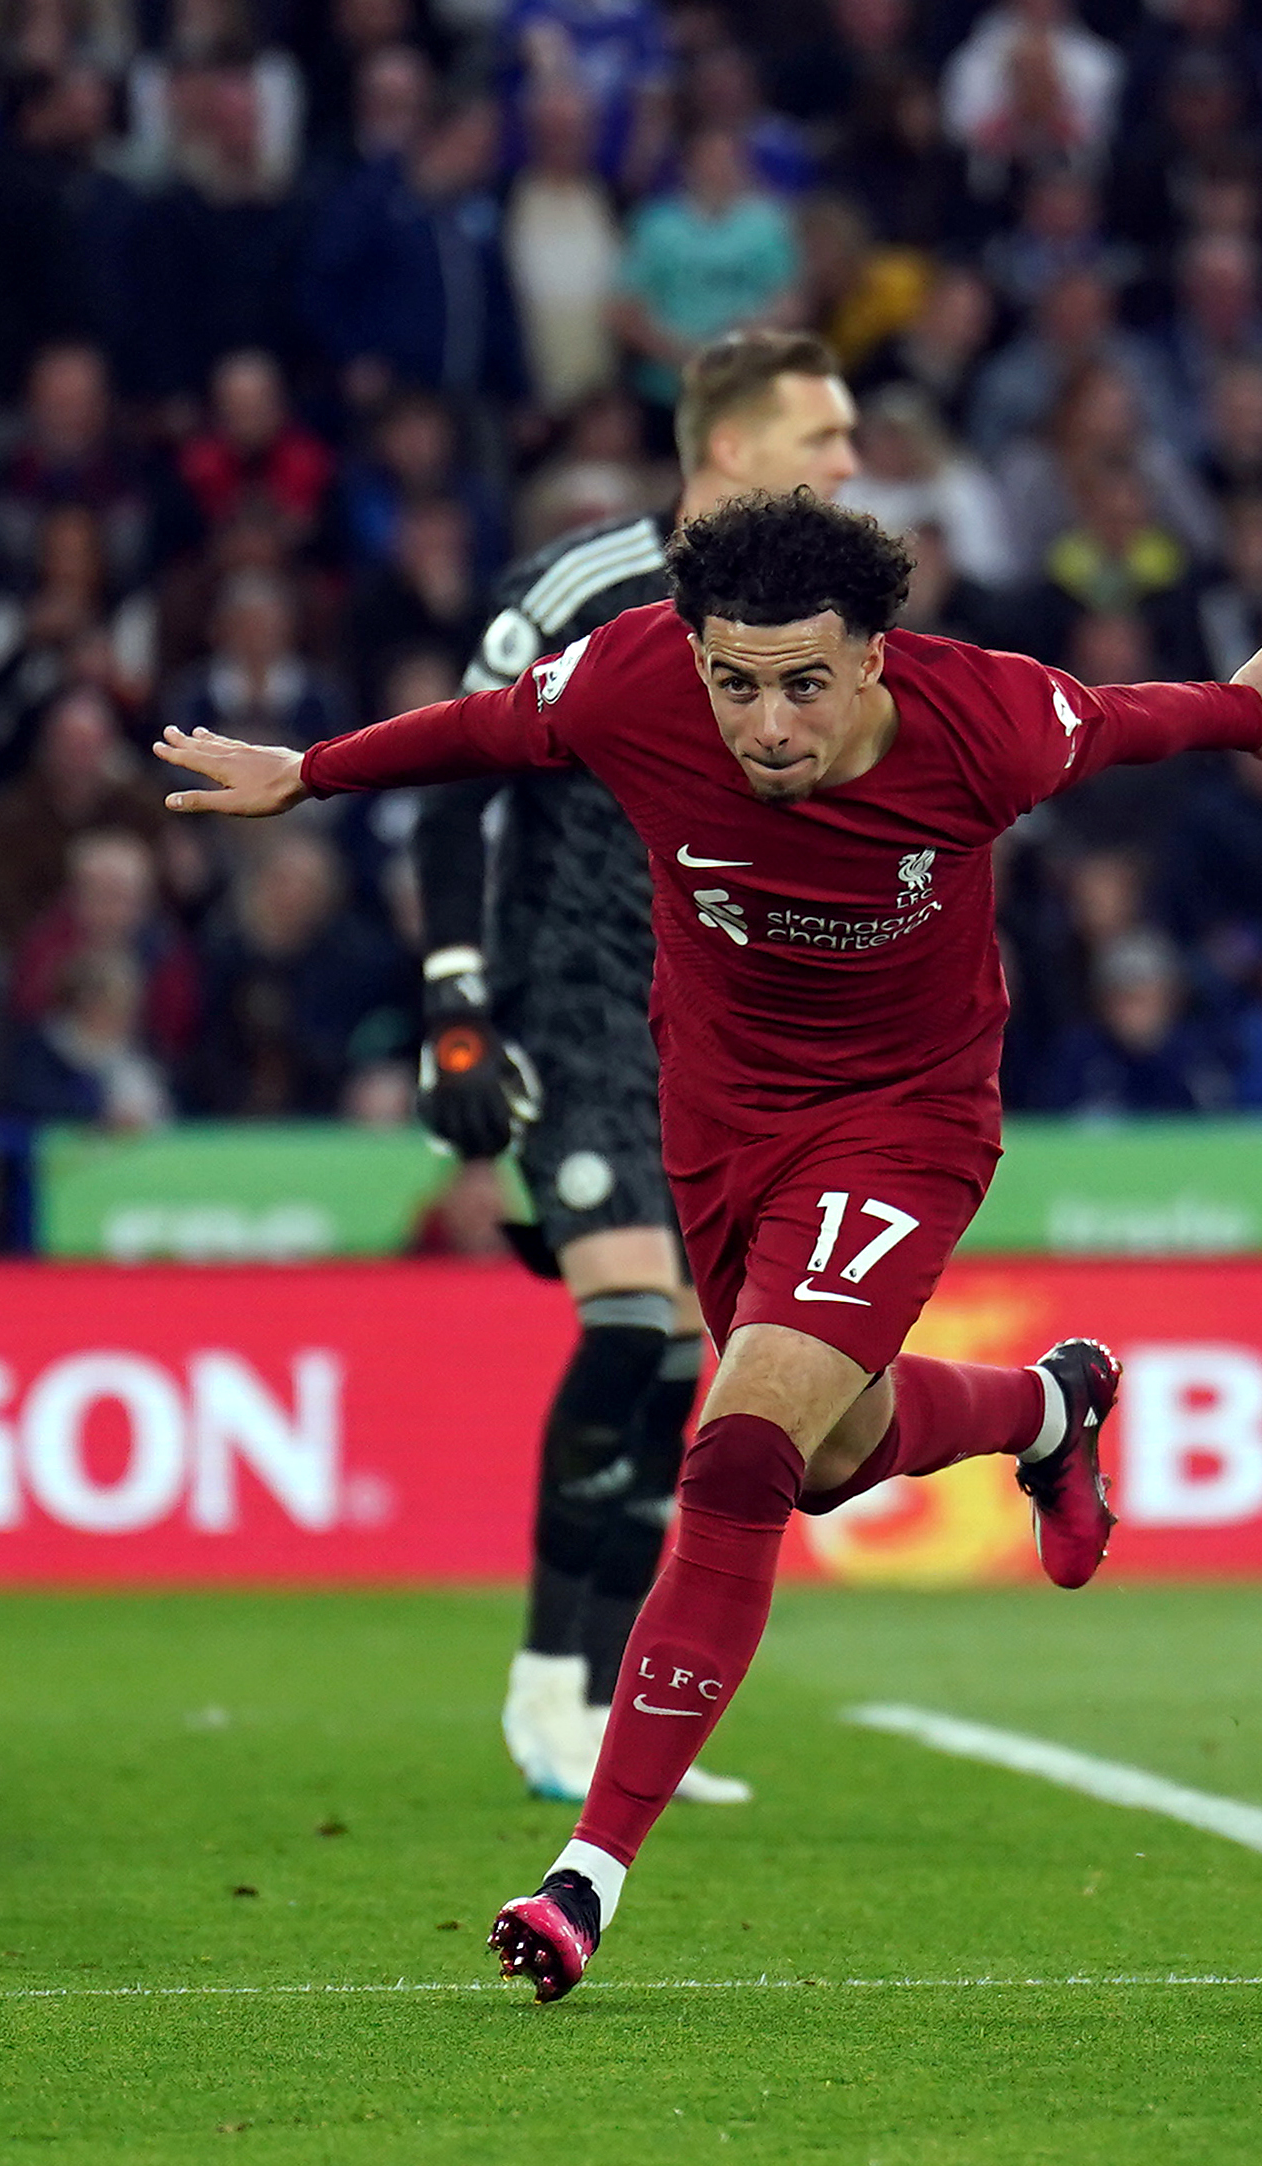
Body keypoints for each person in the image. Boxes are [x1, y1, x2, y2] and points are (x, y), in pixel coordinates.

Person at [157, 491, 1262, 2005]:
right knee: (822, 1457)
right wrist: (307, 772)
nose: (767, 723)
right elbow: (482, 730)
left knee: (736, 1453)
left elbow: (1132, 720)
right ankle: (1051, 1408)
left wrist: (1249, 709)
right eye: (737, 683)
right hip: (720, 1117)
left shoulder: (987, 721)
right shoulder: (629, 683)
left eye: (804, 682)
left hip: (905, 1122)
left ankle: (585, 1875)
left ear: (871, 659)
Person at [408, 331, 856, 1813]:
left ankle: (603, 1703)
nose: (849, 462)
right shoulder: (587, 588)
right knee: (623, 1322)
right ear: (731, 448)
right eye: (823, 435)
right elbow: (453, 779)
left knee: (679, 1360)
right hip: (570, 1001)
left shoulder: (816, 620)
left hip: (707, 1025)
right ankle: (546, 1680)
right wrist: (456, 998)